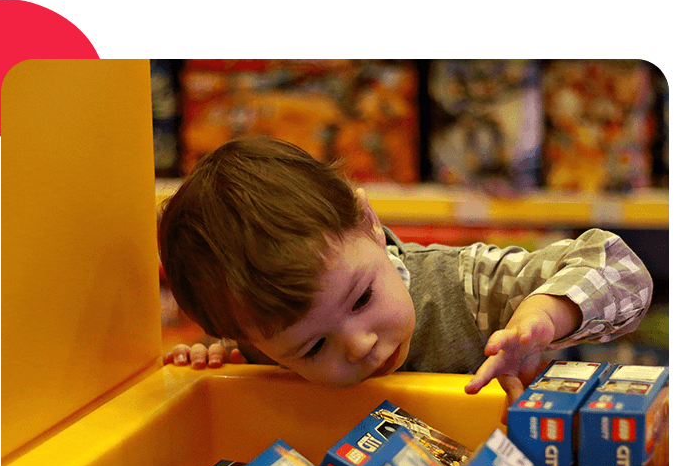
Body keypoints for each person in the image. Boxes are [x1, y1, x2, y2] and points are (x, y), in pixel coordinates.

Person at [159, 136, 652, 419]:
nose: (359, 344)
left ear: (369, 223)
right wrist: (227, 364)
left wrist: (544, 315)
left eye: (362, 299)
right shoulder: (258, 341)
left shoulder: (469, 286)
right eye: (313, 349)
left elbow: (620, 268)